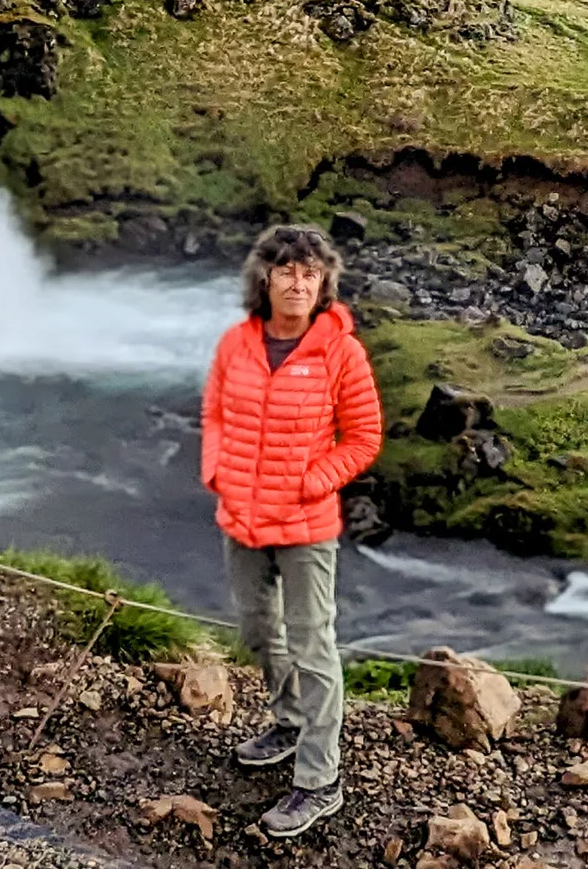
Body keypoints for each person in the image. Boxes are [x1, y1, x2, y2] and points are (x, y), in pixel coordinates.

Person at [201, 224, 381, 838]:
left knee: (313, 645)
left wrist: (314, 480)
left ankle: (319, 779)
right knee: (256, 629)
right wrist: (215, 471)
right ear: (266, 280)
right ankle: (287, 721)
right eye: (287, 271)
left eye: (310, 273)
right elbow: (216, 413)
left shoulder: (341, 352)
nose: (298, 282)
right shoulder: (237, 344)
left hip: (306, 524)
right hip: (242, 518)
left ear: (323, 282)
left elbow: (363, 438)